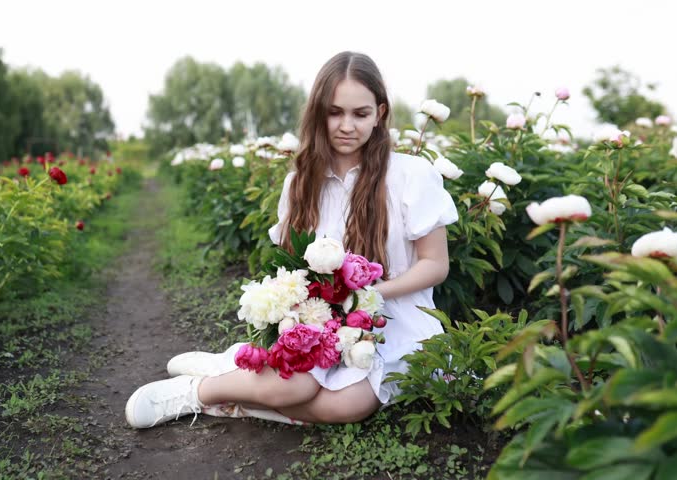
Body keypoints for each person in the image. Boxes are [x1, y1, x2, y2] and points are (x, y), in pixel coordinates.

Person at [125, 51, 458, 428]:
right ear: (318, 112)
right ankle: (197, 391)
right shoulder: (301, 182)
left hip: (395, 319)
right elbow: (291, 268)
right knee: (296, 387)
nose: (347, 126)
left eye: (360, 114)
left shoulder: (411, 175)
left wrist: (374, 294)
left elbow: (435, 264)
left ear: (380, 113)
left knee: (345, 407)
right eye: (335, 112)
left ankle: (233, 390)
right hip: (321, 320)